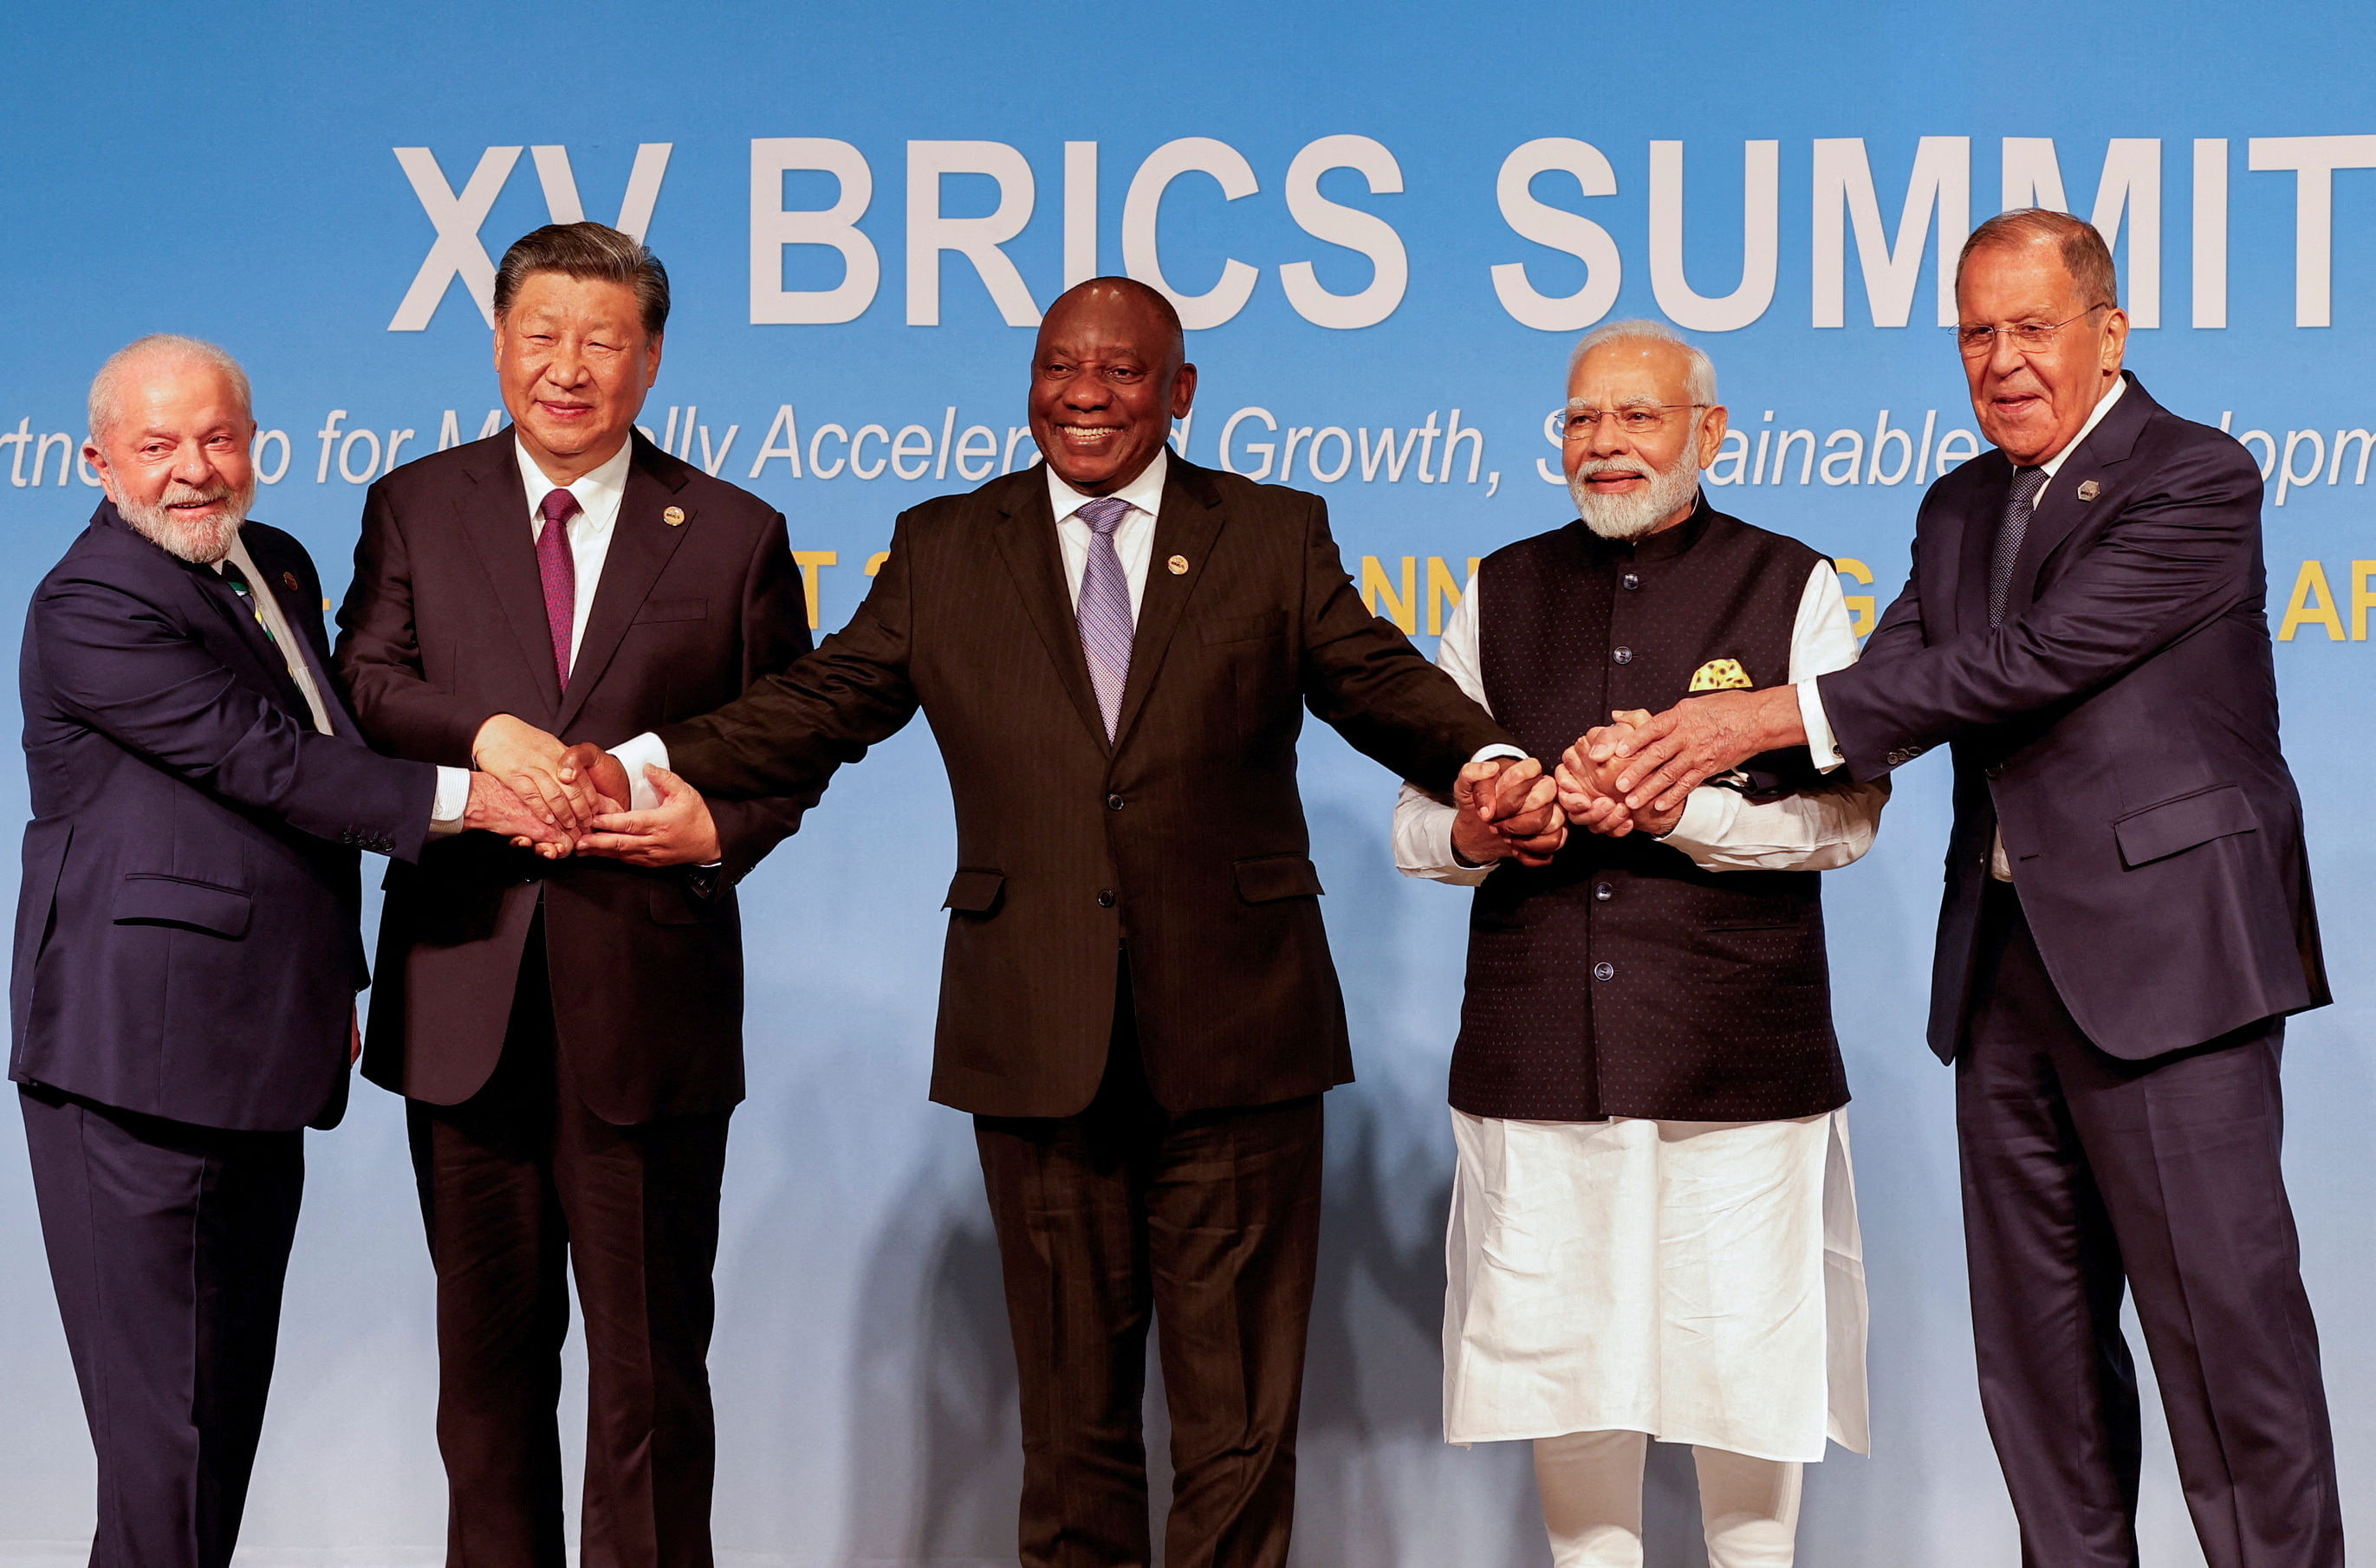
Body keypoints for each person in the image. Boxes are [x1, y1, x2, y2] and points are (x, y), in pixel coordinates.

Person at [568, 275, 1543, 1568]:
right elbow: (818, 705)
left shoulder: (1268, 531)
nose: (1084, 394)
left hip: (1240, 1034)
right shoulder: (942, 545)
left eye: (1122, 372)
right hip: (1034, 1032)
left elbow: (1372, 678)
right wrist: (641, 760)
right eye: (1058, 368)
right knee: (1070, 1426)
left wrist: (1483, 756)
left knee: (1239, 1427)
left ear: (1179, 392)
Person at [1581, 212, 2339, 1568]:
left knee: (2230, 1360)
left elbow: (2028, 662)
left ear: (2107, 333)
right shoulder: (1957, 502)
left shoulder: (2193, 476)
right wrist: (1663, 771)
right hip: (2001, 981)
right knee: (2037, 1370)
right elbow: (1884, 693)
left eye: (2030, 328)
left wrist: (1742, 718)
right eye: (1975, 334)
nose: (2000, 362)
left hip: (2168, 973)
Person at [11, 335, 555, 1568]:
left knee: (213, 1438)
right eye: (158, 447)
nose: (193, 471)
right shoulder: (92, 600)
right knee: (163, 1452)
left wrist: (331, 975)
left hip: (264, 1046)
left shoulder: (282, 565)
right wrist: (482, 794)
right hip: (131, 1064)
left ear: (256, 443)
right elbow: (264, 763)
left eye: (218, 438)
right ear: (97, 461)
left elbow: (326, 742)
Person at [333, 222, 815, 1568]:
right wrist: (482, 733)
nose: (567, 367)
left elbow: (789, 737)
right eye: (541, 335)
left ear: (651, 358)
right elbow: (361, 684)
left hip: (645, 1018)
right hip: (465, 1004)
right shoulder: (415, 505)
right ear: (497, 343)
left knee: (651, 1382)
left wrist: (711, 829)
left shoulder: (731, 534)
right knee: (485, 1391)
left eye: (601, 340)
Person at [1394, 321, 1883, 1568]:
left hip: (1738, 1066)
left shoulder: (1790, 583)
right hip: (1540, 1058)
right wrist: (1490, 824)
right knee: (1567, 1384)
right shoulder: (1498, 589)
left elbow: (1847, 821)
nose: (1602, 444)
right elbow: (1416, 820)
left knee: (1747, 1379)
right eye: (1580, 419)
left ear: (1707, 434)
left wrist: (1688, 809)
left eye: (1635, 417)